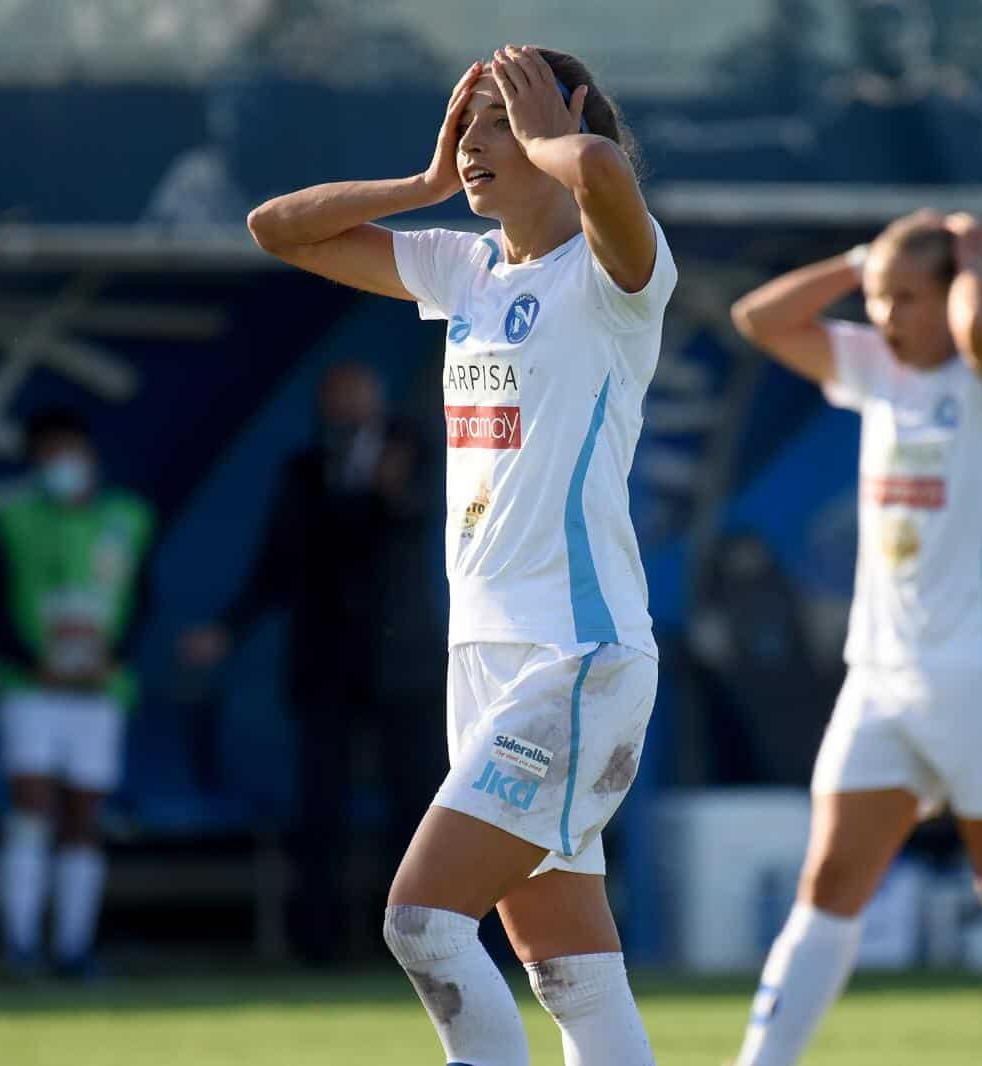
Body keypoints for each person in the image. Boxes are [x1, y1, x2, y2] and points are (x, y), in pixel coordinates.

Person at [241, 45, 676, 1064]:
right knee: (573, 973)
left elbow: (608, 181)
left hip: (575, 655)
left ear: (560, 128)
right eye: (468, 125)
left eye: (498, 124)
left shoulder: (615, 276)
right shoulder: (465, 268)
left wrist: (564, 139)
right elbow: (275, 230)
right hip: (483, 660)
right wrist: (423, 183)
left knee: (423, 921)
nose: (478, 145)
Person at [728, 211, 982, 1065]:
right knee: (827, 889)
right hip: (882, 678)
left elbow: (978, 326)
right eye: (876, 300)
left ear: (956, 294)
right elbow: (760, 319)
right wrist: (861, 258)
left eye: (905, 298)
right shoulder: (877, 370)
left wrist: (974, 255)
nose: (885, 317)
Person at [180, 361, 447, 965]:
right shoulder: (304, 470)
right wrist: (226, 629)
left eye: (355, 400)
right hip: (325, 663)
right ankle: (318, 945)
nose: (346, 413)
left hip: (403, 665)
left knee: (416, 809)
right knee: (320, 810)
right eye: (335, 403)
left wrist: (391, 485)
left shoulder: (418, 450)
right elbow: (277, 563)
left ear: (376, 401)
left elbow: (418, 515)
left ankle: (415, 942)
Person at [0, 408, 156, 977]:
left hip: (100, 692)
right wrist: (33, 662)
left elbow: (145, 602)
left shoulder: (128, 518)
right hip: (30, 690)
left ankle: (74, 949)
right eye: (50, 454)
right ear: (35, 462)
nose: (64, 464)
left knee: (83, 820)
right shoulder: (11, 519)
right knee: (32, 811)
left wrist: (115, 658)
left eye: (71, 451)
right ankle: (20, 947)